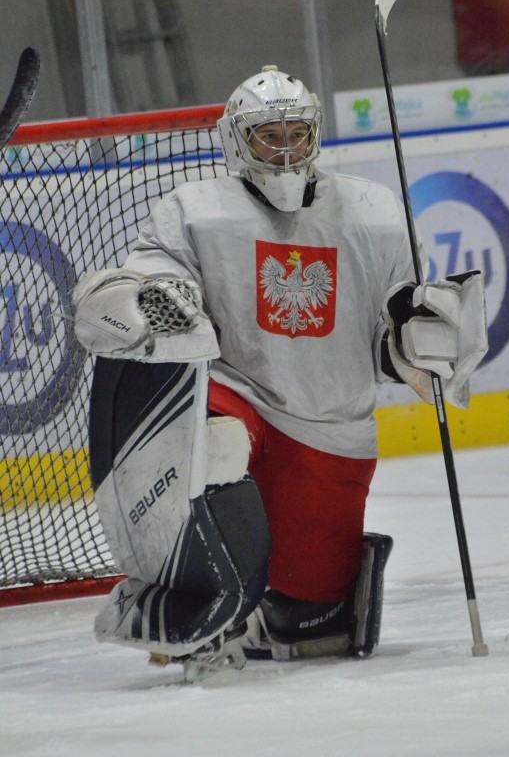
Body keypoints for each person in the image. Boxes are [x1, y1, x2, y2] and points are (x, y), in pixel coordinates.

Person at [73, 65, 487, 679]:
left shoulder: (374, 213)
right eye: (270, 136)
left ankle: (274, 612)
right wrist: (153, 297)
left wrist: (420, 336)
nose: (287, 149)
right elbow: (156, 282)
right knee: (214, 441)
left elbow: (389, 337)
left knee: (315, 624)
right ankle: (186, 597)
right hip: (233, 391)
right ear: (238, 141)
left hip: (328, 422)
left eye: (298, 134)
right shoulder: (194, 211)